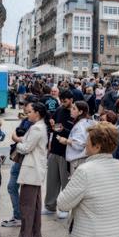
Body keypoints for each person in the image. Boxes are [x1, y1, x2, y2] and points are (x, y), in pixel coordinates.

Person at [10, 102, 48, 237]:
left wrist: (17, 143)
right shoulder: (39, 126)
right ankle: (35, 234)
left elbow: (26, 148)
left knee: (26, 206)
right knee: (35, 205)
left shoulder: (37, 128)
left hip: (32, 170)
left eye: (30, 112)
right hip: (35, 170)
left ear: (37, 113)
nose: (28, 115)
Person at [1, 100, 34, 228]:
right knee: (13, 187)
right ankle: (19, 215)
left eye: (29, 110)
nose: (26, 110)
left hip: (25, 159)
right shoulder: (26, 120)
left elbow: (22, 140)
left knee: (15, 188)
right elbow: (16, 134)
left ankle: (19, 216)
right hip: (19, 158)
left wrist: (16, 137)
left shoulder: (36, 125)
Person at [43, 90, 74, 218]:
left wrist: (62, 129)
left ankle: (64, 208)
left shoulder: (75, 113)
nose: (62, 103)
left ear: (71, 99)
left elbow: (76, 134)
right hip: (55, 149)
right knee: (51, 181)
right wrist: (51, 125)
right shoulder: (59, 109)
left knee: (65, 182)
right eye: (61, 100)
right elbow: (53, 126)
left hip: (66, 152)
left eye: (65, 101)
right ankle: (50, 206)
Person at [57, 101, 94, 174]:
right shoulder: (87, 122)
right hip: (82, 159)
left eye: (74, 109)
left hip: (78, 161)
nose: (71, 110)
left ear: (80, 112)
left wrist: (65, 141)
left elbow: (80, 144)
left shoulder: (80, 125)